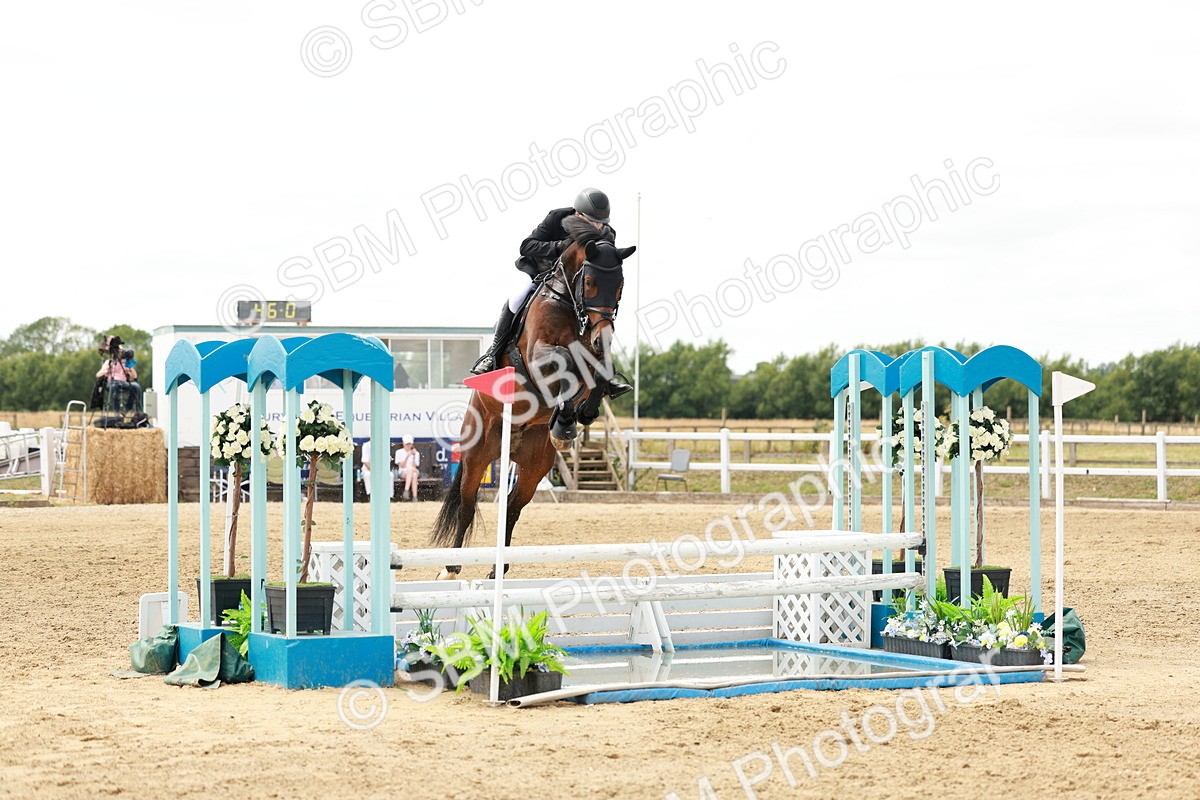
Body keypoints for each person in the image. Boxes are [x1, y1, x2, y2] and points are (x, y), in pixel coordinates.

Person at [470, 188, 632, 399]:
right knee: (518, 296)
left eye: (600, 222)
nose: (596, 226)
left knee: (600, 312)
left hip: (572, 286)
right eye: (591, 221)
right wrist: (558, 247)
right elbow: (526, 246)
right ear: (577, 213)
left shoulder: (607, 234)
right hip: (538, 272)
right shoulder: (557, 218)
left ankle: (605, 375)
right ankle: (493, 354)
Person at [394, 435, 421, 501]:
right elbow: (402, 466)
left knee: (412, 471)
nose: (408, 445)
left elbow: (415, 466)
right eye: (407, 444)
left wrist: (414, 456)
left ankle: (406, 491)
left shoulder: (416, 453)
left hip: (413, 470)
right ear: (403, 444)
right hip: (403, 472)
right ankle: (415, 497)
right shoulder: (398, 452)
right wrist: (407, 456)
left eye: (410, 444)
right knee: (413, 475)